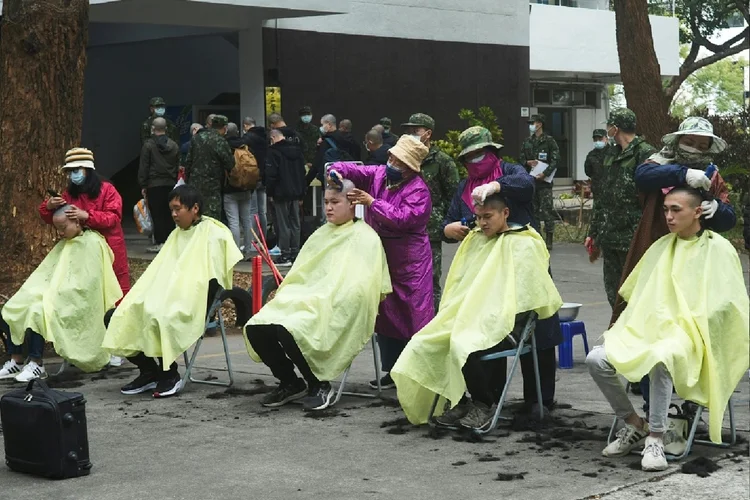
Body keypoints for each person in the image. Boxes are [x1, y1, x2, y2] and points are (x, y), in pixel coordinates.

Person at [586, 186, 748, 472]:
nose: (669, 217)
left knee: (660, 355)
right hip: (649, 329)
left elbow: (728, 303)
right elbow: (637, 292)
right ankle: (635, 424)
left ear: (698, 211)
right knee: (596, 359)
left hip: (692, 335)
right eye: (666, 210)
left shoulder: (719, 248)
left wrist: (689, 320)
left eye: (676, 210)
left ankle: (657, 438)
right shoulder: (661, 247)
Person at [392, 193, 562, 430]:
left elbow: (529, 293)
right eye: (479, 217)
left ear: (506, 213)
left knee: (464, 344)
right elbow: (462, 284)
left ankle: (484, 404)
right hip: (472, 315)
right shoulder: (477, 240)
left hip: (508, 322)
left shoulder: (524, 242)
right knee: (424, 342)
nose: (482, 223)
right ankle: (459, 400)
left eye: (488, 217)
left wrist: (492, 315)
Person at [244, 177, 392, 411]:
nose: (329, 207)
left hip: (337, 303)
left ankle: (319, 384)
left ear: (353, 203)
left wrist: (330, 298)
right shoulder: (320, 234)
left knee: (290, 327)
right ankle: (290, 382)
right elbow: (302, 272)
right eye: (326, 202)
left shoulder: (367, 238)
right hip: (306, 297)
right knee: (257, 326)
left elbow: (364, 285)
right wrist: (295, 293)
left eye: (335, 201)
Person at [442, 126, 560, 415]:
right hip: (484, 267)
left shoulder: (510, 171)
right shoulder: (464, 187)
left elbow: (527, 185)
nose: (475, 161)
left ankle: (539, 399)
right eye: (469, 157)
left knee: (537, 327)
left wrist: (496, 187)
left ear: (492, 151)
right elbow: (448, 220)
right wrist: (448, 228)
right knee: (483, 323)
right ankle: (489, 397)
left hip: (520, 260)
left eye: (480, 154)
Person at [103, 185, 243, 398]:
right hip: (165, 296)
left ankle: (169, 374)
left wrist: (204, 305)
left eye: (178, 209)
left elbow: (214, 278)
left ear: (194, 208)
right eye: (171, 210)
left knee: (158, 316)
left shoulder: (214, 233)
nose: (174, 214)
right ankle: (150, 371)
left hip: (194, 301)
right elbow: (160, 271)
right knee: (115, 316)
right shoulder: (176, 235)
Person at [328, 135, 433, 389]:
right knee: (386, 315)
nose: (392, 163)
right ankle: (392, 372)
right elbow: (353, 168)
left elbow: (404, 218)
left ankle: (417, 374)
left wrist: (372, 203)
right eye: (391, 158)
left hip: (410, 262)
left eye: (399, 161)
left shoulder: (419, 190)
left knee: (414, 317)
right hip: (381, 255)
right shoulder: (378, 175)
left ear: (411, 168)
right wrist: (336, 171)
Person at [0, 206, 123, 381]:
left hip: (75, 299)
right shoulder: (65, 244)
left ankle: (36, 364)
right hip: (56, 293)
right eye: (57, 229)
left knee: (38, 310)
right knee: (11, 308)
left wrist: (56, 294)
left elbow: (90, 283)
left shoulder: (94, 243)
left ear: (77, 222)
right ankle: (16, 360)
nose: (60, 233)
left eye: (63, 228)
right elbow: (47, 274)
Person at [586, 109, 657, 309]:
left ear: (615, 128)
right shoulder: (610, 153)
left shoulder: (645, 153)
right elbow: (602, 195)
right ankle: (616, 334)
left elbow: (652, 198)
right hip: (610, 237)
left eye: (610, 126)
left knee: (636, 294)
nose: (608, 130)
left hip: (633, 238)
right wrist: (594, 233)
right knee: (614, 294)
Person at [41, 147, 131, 298]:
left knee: (114, 285)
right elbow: (56, 219)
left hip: (110, 245)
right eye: (70, 171)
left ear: (88, 169)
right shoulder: (69, 194)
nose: (72, 175)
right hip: (81, 249)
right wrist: (49, 206)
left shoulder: (108, 190)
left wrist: (86, 216)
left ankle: (115, 318)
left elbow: (113, 218)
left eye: (76, 170)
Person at [401, 113, 459, 312]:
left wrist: (445, 223)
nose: (411, 134)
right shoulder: (403, 158)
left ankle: (432, 320)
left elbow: (453, 195)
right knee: (406, 278)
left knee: (431, 279)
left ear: (427, 134)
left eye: (415, 131)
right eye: (408, 131)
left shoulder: (442, 161)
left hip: (430, 229)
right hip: (405, 225)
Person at [266, 129, 306, 266]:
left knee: (283, 224)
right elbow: (302, 174)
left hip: (280, 192)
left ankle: (285, 255)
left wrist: (270, 192)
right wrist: (302, 193)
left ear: (273, 137)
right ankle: (295, 253)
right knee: (295, 223)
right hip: (295, 193)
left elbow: (271, 175)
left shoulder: (273, 152)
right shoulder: (297, 151)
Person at [139, 117, 180, 253]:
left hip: (154, 184)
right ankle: (170, 240)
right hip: (170, 183)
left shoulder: (148, 145)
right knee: (170, 213)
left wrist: (143, 184)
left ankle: (160, 241)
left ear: (152, 128)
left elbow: (144, 166)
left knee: (156, 214)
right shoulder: (174, 145)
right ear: (166, 128)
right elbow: (176, 164)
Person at [519, 114, 559, 249]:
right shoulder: (527, 142)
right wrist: (527, 162)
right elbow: (521, 159)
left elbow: (555, 160)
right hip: (531, 182)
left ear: (540, 124)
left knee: (547, 210)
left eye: (533, 122)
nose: (531, 125)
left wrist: (545, 173)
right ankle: (537, 237)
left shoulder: (549, 141)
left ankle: (549, 238)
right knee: (534, 210)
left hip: (545, 183)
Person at [184, 114, 235, 219]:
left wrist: (188, 179)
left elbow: (188, 162)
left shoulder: (196, 138)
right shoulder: (220, 141)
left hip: (195, 183)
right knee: (212, 218)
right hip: (213, 186)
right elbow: (230, 163)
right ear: (225, 128)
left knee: (196, 214)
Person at [223, 122, 255, 258]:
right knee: (247, 219)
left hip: (230, 189)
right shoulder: (245, 145)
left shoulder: (224, 146)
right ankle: (248, 249)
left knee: (233, 221)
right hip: (246, 188)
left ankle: (235, 252)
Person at [583, 129, 610, 261]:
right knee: (598, 217)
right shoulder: (591, 155)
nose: (598, 141)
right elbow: (588, 171)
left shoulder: (613, 153)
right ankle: (597, 242)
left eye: (600, 139)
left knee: (609, 217)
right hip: (598, 190)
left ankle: (607, 244)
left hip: (612, 190)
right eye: (596, 139)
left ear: (606, 138)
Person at [242, 117, 269, 238]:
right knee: (262, 211)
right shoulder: (265, 137)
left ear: (246, 126)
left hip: (252, 175)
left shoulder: (247, 138)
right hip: (264, 176)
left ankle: (254, 239)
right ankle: (264, 237)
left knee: (253, 210)